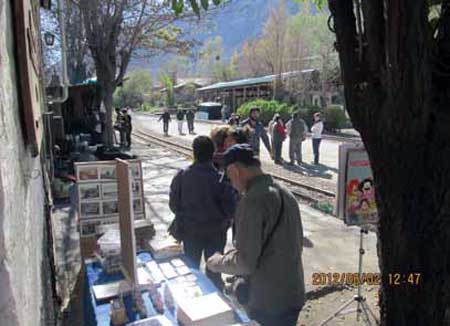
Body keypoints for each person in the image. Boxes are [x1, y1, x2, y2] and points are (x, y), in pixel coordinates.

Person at [207, 144, 305, 326]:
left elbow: (244, 262)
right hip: (293, 291)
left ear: (235, 171)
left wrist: (216, 262)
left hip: (268, 302)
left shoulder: (252, 202)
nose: (233, 186)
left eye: (229, 178)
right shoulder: (286, 193)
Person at [169, 136, 237, 291]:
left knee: (191, 268)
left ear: (193, 152)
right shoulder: (220, 179)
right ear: (213, 153)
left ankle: (193, 301)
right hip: (216, 232)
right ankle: (217, 302)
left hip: (190, 230)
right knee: (214, 270)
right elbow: (231, 209)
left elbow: (173, 205)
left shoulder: (181, 176)